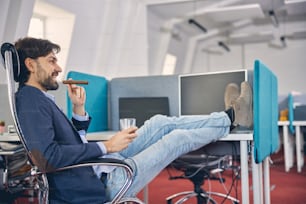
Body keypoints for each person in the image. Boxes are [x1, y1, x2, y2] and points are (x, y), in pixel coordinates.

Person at [14, 37, 252, 203]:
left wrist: (79, 109)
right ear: (30, 64)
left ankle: (229, 115)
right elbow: (48, 158)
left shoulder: (40, 98)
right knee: (177, 138)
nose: (58, 67)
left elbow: (71, 144)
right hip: (105, 181)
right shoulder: (30, 102)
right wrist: (106, 145)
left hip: (102, 164)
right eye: (51, 60)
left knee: (160, 122)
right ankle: (231, 119)